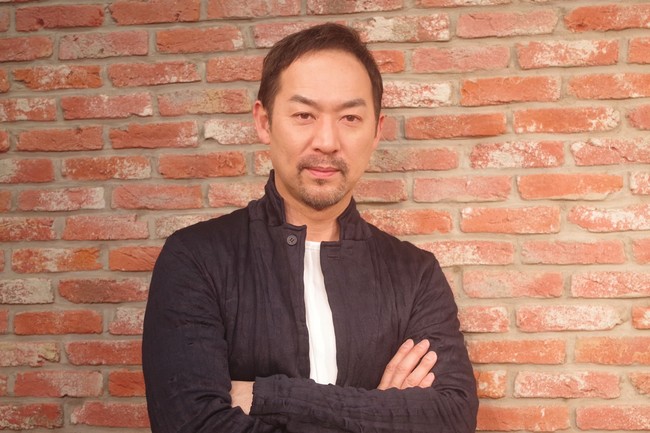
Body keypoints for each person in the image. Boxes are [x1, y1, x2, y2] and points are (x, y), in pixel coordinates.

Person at [142, 23, 478, 433]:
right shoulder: (197, 259)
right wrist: (380, 411)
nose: (327, 141)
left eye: (350, 117)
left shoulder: (415, 274)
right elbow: (194, 425)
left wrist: (270, 396)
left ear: (376, 131)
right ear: (264, 121)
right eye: (304, 115)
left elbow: (452, 417)